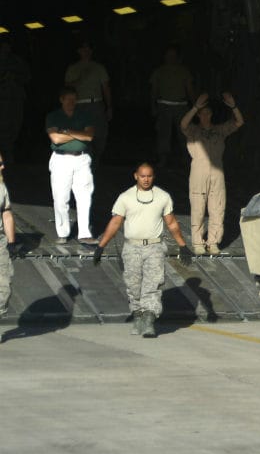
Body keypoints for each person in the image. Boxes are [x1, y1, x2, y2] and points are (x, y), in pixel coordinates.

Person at [93, 163, 194, 337]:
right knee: (133, 284)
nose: (146, 179)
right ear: (136, 176)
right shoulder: (126, 197)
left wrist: (183, 245)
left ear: (153, 177)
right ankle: (138, 315)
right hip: (132, 247)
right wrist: (101, 246)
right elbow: (116, 222)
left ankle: (149, 320)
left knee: (153, 283)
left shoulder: (163, 196)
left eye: (149, 176)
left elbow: (171, 223)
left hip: (154, 246)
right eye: (142, 176)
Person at [180, 92, 244, 254]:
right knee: (198, 206)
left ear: (212, 114)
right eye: (202, 113)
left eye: (208, 112)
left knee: (218, 206)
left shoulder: (220, 130)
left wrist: (233, 106)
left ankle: (213, 242)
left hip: (217, 171)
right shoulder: (193, 130)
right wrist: (195, 107)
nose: (205, 115)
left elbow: (239, 122)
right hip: (199, 171)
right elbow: (183, 124)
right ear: (199, 115)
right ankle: (198, 242)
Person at [45, 86, 96, 246]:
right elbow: (56, 139)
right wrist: (77, 134)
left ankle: (84, 233)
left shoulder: (84, 115)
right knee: (61, 198)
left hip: (81, 158)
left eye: (74, 99)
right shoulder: (53, 116)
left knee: (85, 196)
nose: (72, 103)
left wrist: (67, 132)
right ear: (62, 100)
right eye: (69, 99)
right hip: (61, 159)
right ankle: (63, 233)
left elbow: (88, 136)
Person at [63, 42, 112, 163]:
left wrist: (109, 106)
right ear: (78, 51)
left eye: (88, 48)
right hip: (79, 104)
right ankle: (87, 159)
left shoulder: (99, 67)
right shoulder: (73, 68)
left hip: (96, 103)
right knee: (81, 133)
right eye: (83, 48)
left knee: (100, 133)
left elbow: (106, 88)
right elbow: (67, 87)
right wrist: (80, 79)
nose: (85, 51)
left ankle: (97, 156)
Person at [148, 46, 194, 168]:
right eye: (168, 55)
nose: (171, 58)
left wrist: (195, 106)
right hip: (164, 106)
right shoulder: (159, 71)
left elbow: (189, 89)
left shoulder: (184, 71)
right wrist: (153, 106)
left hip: (181, 106)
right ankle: (163, 159)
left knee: (184, 134)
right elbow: (154, 90)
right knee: (163, 134)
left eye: (173, 55)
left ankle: (186, 157)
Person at [0, 42, 31, 163]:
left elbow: (27, 76)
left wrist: (14, 77)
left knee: (14, 127)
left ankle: (9, 156)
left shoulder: (17, 61)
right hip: (2, 99)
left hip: (15, 99)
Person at [0, 151, 17, 322]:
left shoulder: (1, 187)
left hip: (0, 242)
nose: (3, 167)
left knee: (4, 283)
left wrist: (11, 242)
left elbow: (6, 214)